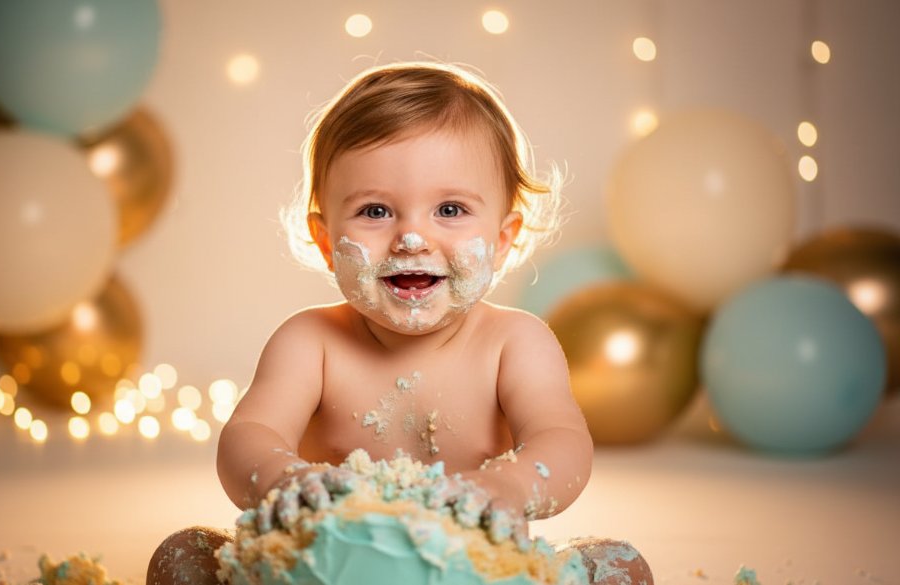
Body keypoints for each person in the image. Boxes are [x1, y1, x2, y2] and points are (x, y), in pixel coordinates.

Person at [147, 62, 652, 585]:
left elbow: (561, 439)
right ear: (325, 241)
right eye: (376, 211)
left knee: (621, 565)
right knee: (184, 553)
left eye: (450, 210)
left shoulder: (515, 344)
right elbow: (250, 433)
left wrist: (510, 487)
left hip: (470, 565)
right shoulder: (310, 344)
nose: (412, 238)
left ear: (503, 239)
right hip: (327, 564)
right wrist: (283, 478)